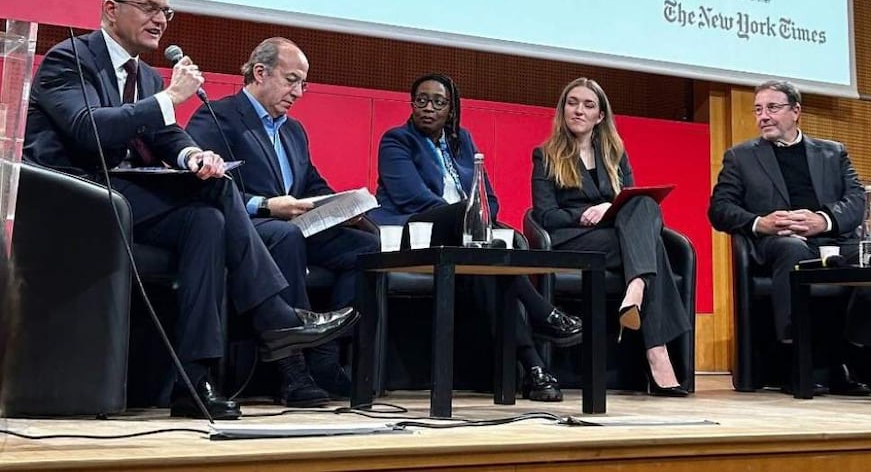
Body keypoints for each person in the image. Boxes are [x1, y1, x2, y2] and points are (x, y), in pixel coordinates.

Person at [22, 0, 357, 419]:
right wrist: (171, 99)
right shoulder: (69, 59)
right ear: (110, 9)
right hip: (74, 196)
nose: (160, 19)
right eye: (150, 8)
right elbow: (88, 130)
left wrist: (193, 156)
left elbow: (164, 137)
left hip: (121, 197)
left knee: (207, 217)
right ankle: (278, 319)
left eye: (166, 11)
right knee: (217, 197)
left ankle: (193, 382)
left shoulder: (146, 77)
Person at [187, 37, 380, 406]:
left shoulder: (293, 130)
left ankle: (324, 357)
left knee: (364, 246)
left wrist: (345, 205)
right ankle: (292, 372)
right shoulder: (219, 116)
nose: (299, 92)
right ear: (260, 73)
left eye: (303, 83)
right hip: (245, 226)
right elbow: (205, 188)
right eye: (292, 80)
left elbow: (312, 184)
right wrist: (266, 205)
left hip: (292, 227)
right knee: (284, 236)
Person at [369, 73, 581, 402]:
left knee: (489, 268)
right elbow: (412, 197)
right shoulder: (396, 140)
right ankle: (542, 314)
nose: (428, 108)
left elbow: (490, 199)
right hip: (417, 234)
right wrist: (469, 217)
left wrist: (474, 220)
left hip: (465, 240)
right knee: (474, 231)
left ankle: (534, 370)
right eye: (421, 101)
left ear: (451, 110)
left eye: (438, 102)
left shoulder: (463, 140)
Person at [708, 80, 871, 396]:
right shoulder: (741, 157)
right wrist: (761, 223)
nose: (763, 116)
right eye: (758, 109)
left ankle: (849, 355)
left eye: (772, 107)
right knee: (792, 249)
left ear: (796, 111)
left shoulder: (832, 152)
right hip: (779, 242)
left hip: (830, 239)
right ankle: (797, 360)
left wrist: (822, 220)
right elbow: (720, 209)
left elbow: (856, 200)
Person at [531, 77, 691, 397]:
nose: (578, 110)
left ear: (600, 116)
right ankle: (656, 350)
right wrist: (585, 214)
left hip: (614, 235)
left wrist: (608, 207)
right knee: (652, 246)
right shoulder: (545, 154)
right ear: (563, 110)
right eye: (572, 103)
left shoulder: (615, 153)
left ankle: (636, 288)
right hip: (571, 238)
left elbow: (630, 203)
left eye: (588, 105)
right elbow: (545, 215)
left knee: (645, 203)